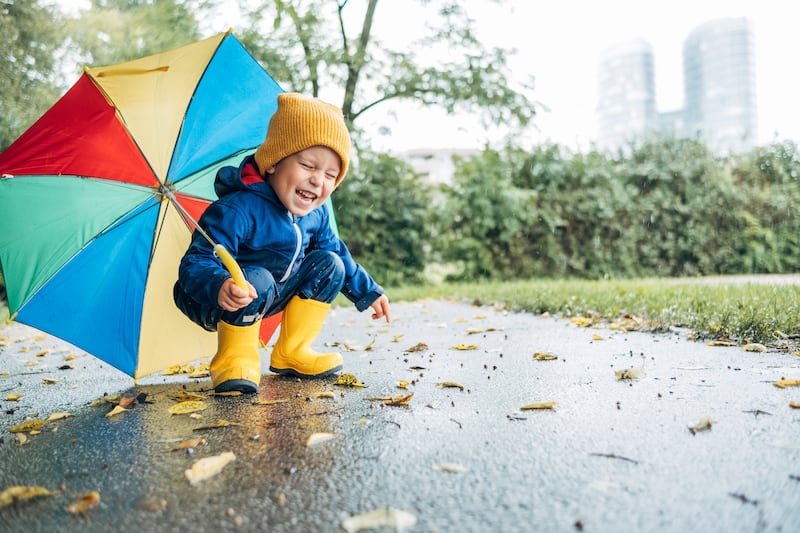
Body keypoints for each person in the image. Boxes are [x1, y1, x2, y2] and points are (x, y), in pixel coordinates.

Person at [173, 92, 390, 394]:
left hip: (272, 291)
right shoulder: (238, 208)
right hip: (221, 295)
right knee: (258, 276)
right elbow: (195, 263)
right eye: (308, 166)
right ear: (274, 162)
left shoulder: (316, 213)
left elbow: (335, 249)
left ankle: (293, 351)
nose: (318, 181)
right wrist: (220, 284)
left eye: (331, 174)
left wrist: (368, 291)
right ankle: (234, 357)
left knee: (330, 263)